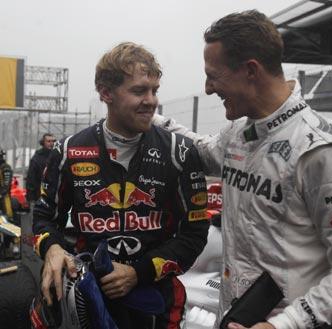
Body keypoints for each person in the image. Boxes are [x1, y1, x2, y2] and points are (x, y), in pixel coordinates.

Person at [153, 10, 332, 329]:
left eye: (214, 75)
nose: (209, 88)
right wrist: (148, 118)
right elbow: (199, 151)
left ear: (250, 70)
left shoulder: (327, 150)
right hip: (235, 317)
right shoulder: (240, 133)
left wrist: (283, 324)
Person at [32, 42, 209, 329]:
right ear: (106, 93)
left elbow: (195, 233)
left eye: (154, 90)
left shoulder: (180, 152)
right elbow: (42, 218)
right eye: (139, 91)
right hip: (88, 298)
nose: (151, 100)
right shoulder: (68, 152)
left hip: (156, 299)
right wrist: (52, 249)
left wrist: (138, 273)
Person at [26, 133, 55, 202]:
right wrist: (31, 197)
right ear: (43, 142)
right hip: (39, 195)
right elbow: (31, 178)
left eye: (53, 141)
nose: (51, 143)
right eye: (48, 141)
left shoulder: (57, 156)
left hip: (54, 194)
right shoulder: (37, 158)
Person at [0, 149, 13, 218]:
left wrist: (1, 193)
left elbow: (6, 184)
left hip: (4, 198)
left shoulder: (5, 167)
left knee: (7, 217)